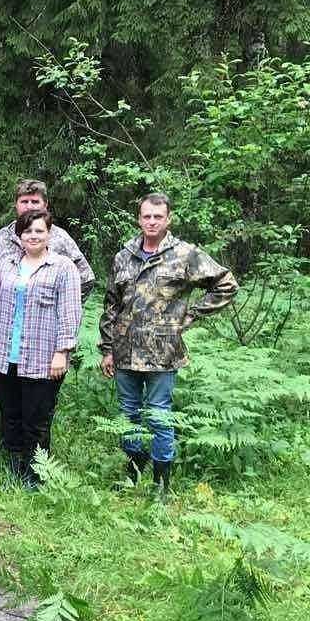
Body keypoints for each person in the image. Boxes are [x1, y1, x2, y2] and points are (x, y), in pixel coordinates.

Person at [99, 192, 239, 489]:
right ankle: (133, 471)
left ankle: (161, 482)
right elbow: (111, 303)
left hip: (163, 351)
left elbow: (226, 283)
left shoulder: (184, 254)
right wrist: (107, 348)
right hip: (125, 350)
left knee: (159, 415)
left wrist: (191, 315)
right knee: (128, 413)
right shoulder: (124, 256)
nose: (151, 222)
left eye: (157, 216)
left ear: (168, 219)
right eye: (146, 216)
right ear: (139, 219)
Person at [0, 210, 82, 488]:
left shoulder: (63, 267)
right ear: (19, 235)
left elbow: (70, 313)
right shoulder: (8, 265)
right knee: (11, 414)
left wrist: (62, 352)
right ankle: (15, 467)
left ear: (49, 233)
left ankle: (36, 474)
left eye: (39, 231)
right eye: (27, 231)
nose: (33, 236)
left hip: (43, 358)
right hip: (8, 355)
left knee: (36, 419)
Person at [0, 178, 94, 301]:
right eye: (24, 201)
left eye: (35, 202)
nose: (29, 207)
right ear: (16, 204)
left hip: (45, 317)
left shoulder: (60, 238)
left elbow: (86, 279)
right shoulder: (3, 237)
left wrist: (63, 304)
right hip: (8, 315)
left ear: (45, 204)